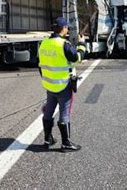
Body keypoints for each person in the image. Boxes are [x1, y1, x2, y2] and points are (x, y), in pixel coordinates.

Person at [38, 17, 86, 152]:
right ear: (63, 28)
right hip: (63, 85)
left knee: (48, 112)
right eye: (67, 28)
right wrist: (82, 44)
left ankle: (48, 139)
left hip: (49, 84)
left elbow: (40, 64)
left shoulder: (43, 43)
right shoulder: (64, 44)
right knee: (64, 113)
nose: (68, 30)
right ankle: (66, 143)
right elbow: (78, 58)